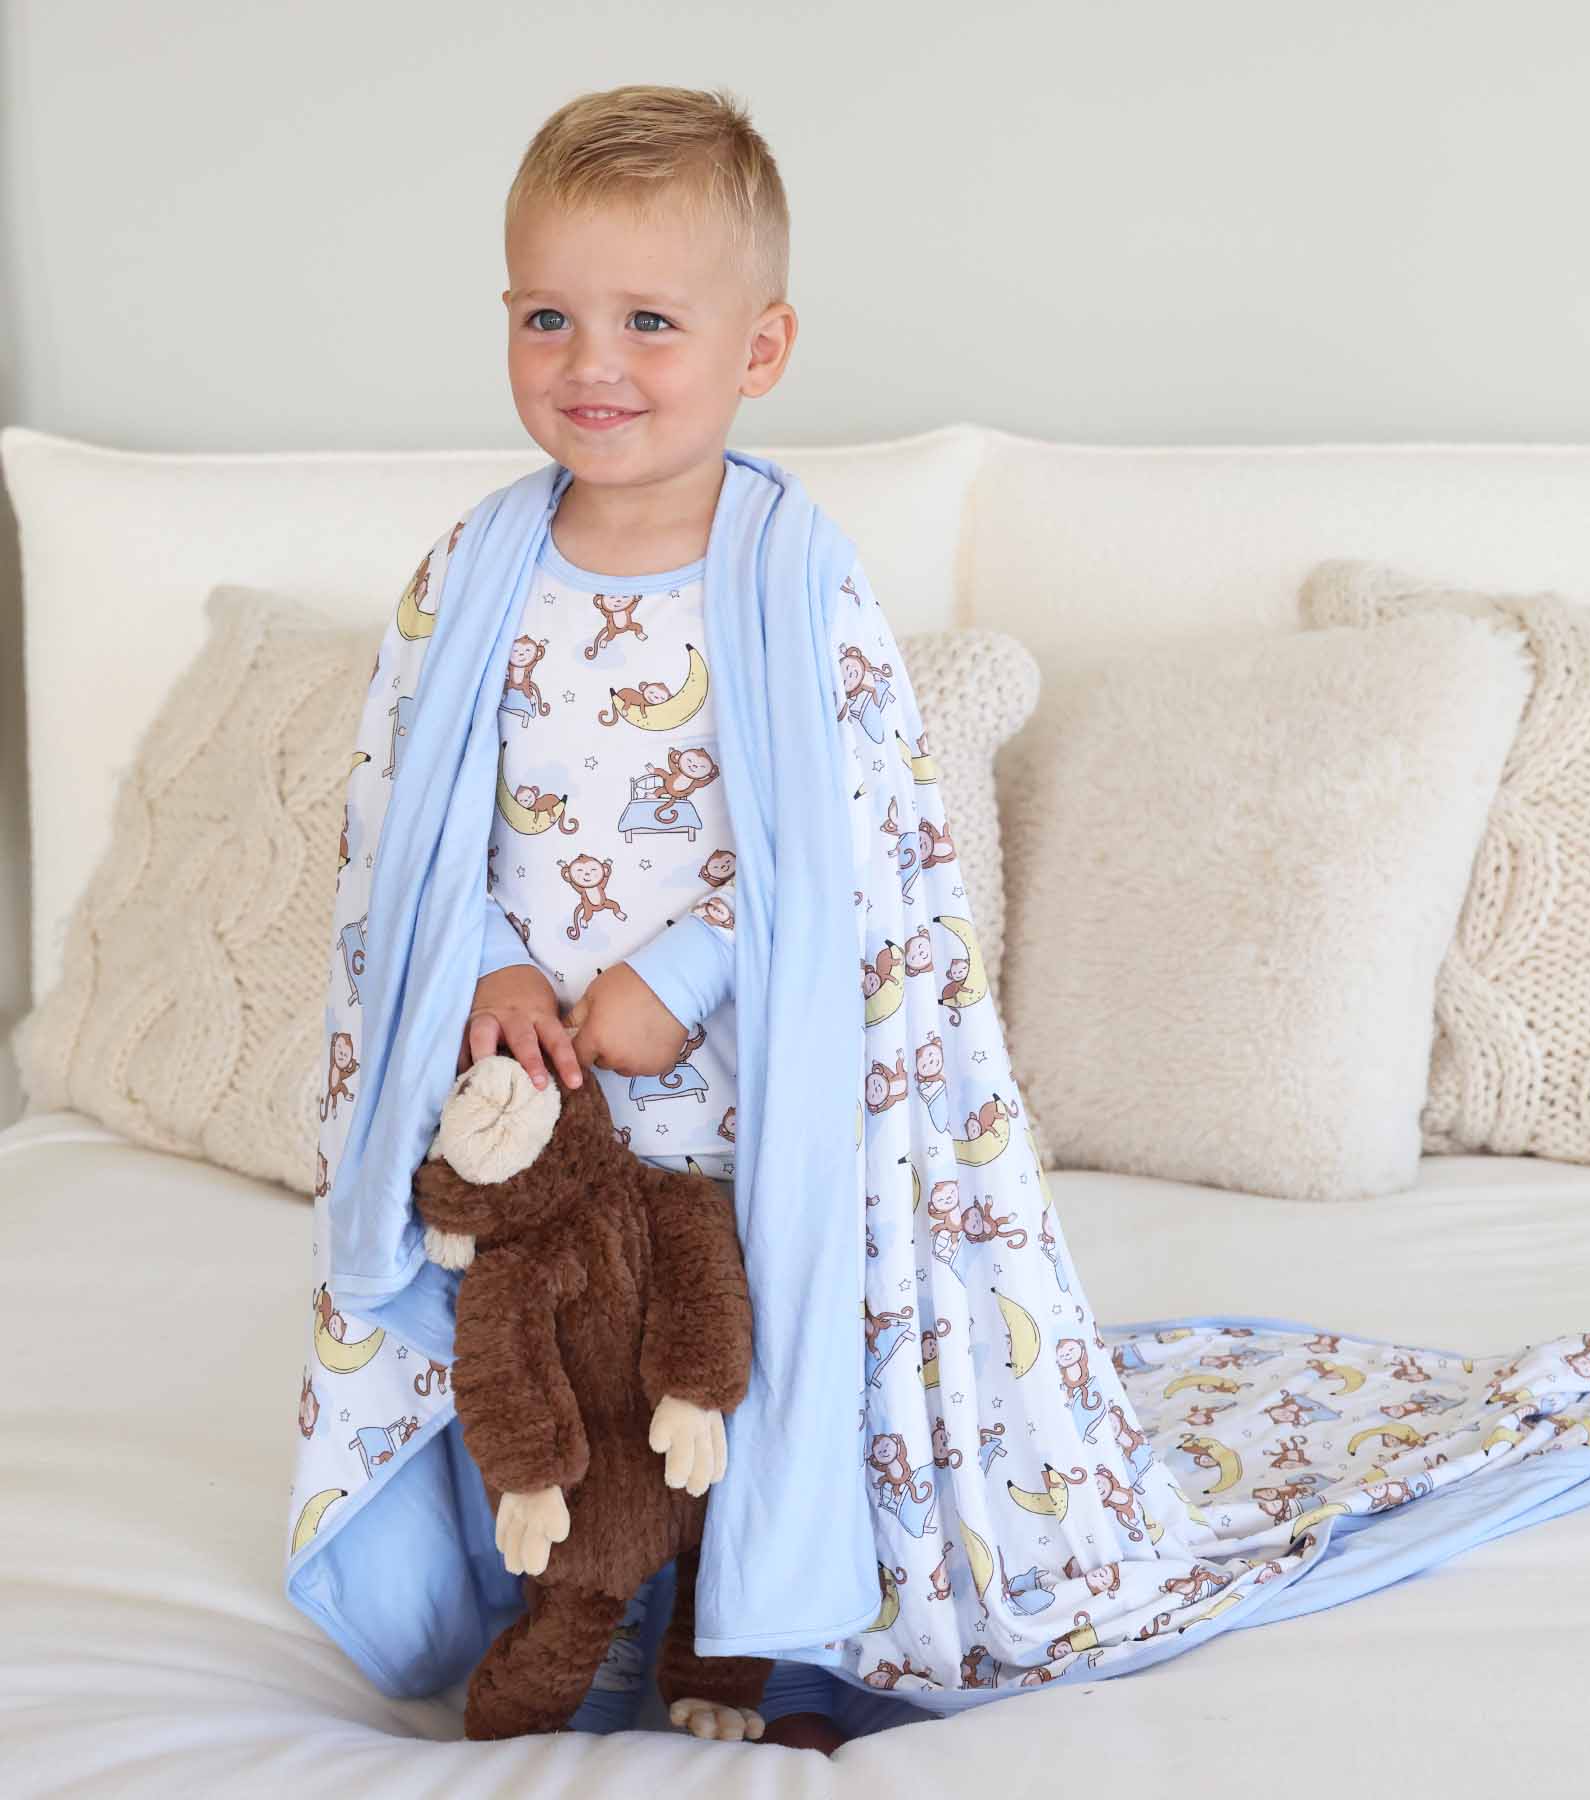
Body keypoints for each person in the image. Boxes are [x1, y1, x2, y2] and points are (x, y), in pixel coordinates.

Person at [460, 83, 912, 1754]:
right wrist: (490, 960)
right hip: (552, 1106)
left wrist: (690, 968)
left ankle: (743, 1636)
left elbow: (851, 833)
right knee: (561, 1360)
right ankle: (564, 1603)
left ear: (760, 347)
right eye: (547, 317)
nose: (593, 362)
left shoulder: (793, 575)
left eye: (650, 320)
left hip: (731, 1093)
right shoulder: (479, 574)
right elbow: (411, 826)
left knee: (734, 1356)